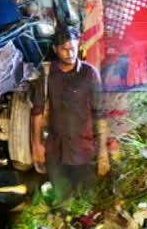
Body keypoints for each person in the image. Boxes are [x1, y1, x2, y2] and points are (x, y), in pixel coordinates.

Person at [31, 26, 110, 201]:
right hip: (56, 151)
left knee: (89, 200)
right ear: (55, 49)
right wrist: (37, 144)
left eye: (73, 48)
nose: (70, 53)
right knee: (62, 199)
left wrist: (103, 151)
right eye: (65, 49)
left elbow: (100, 113)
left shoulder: (89, 73)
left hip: (84, 151)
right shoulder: (47, 74)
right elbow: (37, 111)